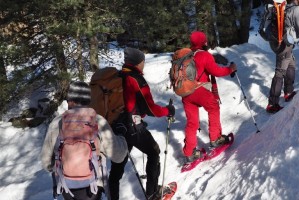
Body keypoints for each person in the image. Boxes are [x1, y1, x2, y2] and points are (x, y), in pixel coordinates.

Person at [41, 81, 128, 200]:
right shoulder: (98, 121)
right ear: (88, 101)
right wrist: (122, 137)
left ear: (70, 101)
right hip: (92, 185)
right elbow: (118, 156)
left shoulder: (56, 123)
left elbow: (46, 163)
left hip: (66, 184)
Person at [108, 47, 175, 200]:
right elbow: (151, 108)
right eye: (143, 61)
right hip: (133, 127)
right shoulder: (136, 79)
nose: (144, 64)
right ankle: (152, 193)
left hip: (117, 127)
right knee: (153, 152)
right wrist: (168, 110)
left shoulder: (118, 76)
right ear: (138, 63)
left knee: (117, 169)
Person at [182, 31, 237, 163]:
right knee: (213, 108)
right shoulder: (204, 55)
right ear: (203, 42)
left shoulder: (185, 56)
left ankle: (189, 153)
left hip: (186, 93)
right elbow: (216, 71)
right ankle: (215, 139)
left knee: (192, 122)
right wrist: (230, 69)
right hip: (200, 90)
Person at [266, 0, 299, 113]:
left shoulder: (284, 7)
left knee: (291, 64)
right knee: (279, 72)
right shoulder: (297, 9)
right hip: (285, 45)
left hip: (276, 42)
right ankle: (272, 103)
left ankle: (289, 92)